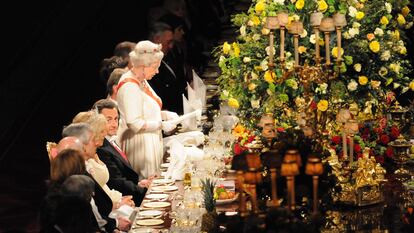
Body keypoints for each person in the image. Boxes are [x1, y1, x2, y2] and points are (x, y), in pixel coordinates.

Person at [116, 40, 178, 179]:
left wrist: (164, 115)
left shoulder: (141, 81)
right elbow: (134, 123)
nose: (157, 71)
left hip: (149, 141)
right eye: (155, 67)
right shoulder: (130, 87)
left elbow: (145, 111)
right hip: (139, 146)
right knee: (147, 183)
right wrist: (161, 124)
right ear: (143, 66)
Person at [58, 127, 131, 232]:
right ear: (83, 147)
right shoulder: (77, 181)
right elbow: (92, 220)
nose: (97, 143)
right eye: (93, 140)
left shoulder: (80, 170)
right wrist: (115, 224)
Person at [72, 111, 134, 208]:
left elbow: (105, 187)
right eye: (101, 132)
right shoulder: (80, 163)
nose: (103, 136)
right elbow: (94, 202)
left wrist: (119, 200)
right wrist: (117, 204)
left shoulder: (93, 152)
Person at [93, 99, 150, 205]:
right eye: (108, 120)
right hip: (123, 200)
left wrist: (140, 183)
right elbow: (116, 183)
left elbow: (122, 176)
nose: (114, 124)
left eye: (116, 119)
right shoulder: (100, 147)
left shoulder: (109, 141)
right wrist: (147, 192)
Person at [148, 22, 187, 114]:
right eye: (168, 42)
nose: (171, 46)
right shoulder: (147, 64)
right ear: (157, 39)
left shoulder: (169, 55)